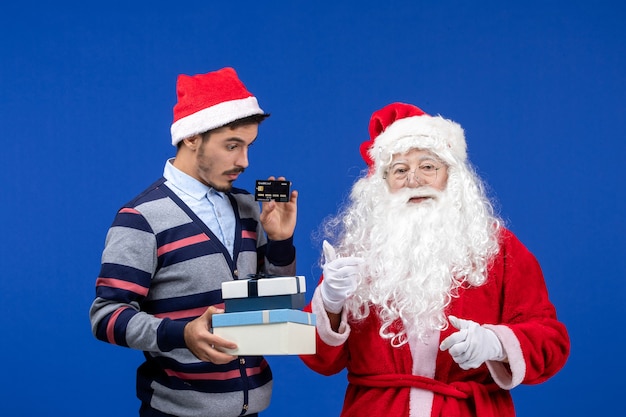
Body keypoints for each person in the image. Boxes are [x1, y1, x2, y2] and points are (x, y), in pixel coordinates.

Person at [300, 102, 569, 416]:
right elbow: (320, 360)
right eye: (400, 170)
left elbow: (552, 343)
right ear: (383, 183)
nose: (414, 180)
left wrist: (494, 343)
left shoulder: (499, 249)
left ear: (451, 176)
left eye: (428, 166)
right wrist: (330, 304)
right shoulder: (358, 251)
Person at [90, 67, 298, 417]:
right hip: (176, 411)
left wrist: (280, 243)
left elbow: (275, 307)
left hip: (253, 409)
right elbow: (106, 316)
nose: (244, 161)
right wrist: (182, 334)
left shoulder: (248, 207)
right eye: (232, 146)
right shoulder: (141, 217)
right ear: (192, 137)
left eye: (248, 146)